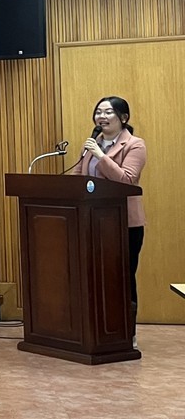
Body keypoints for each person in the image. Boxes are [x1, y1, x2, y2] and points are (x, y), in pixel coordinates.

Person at [75, 95, 147, 345]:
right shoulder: (90, 144)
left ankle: (127, 333)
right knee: (92, 275)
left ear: (123, 118)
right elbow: (77, 177)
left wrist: (100, 156)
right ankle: (95, 331)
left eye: (107, 113)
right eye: (98, 112)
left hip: (124, 225)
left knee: (122, 276)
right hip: (91, 222)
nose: (101, 117)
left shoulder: (134, 144)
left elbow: (127, 180)